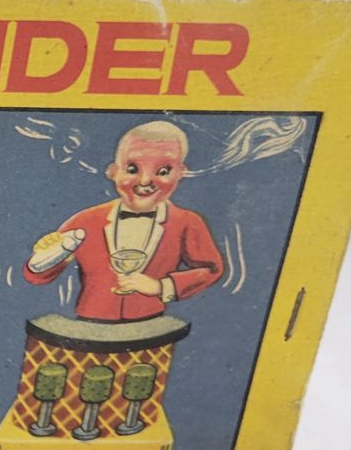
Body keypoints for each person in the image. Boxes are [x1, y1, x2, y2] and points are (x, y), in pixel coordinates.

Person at [24, 119, 225, 323]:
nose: (145, 181)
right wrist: (51, 253)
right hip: (90, 325)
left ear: (181, 173)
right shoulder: (85, 221)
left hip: (151, 326)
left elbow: (212, 269)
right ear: (113, 172)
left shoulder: (187, 222)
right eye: (132, 169)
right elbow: (36, 275)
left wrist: (160, 286)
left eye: (163, 171)